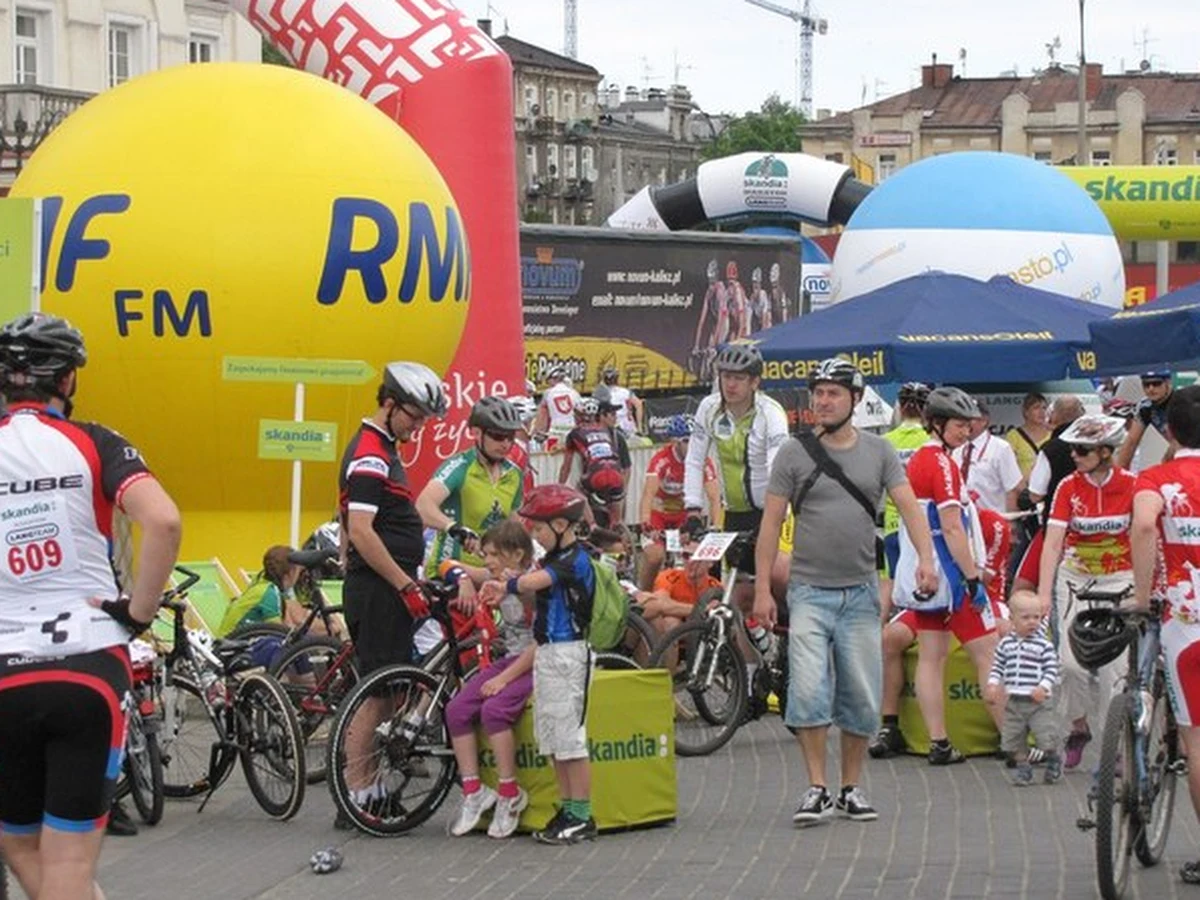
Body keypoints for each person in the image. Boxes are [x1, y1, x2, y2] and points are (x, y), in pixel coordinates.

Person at [0, 313, 182, 900]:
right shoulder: (95, 441)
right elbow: (164, 521)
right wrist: (138, 613)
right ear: (67, 380)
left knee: (22, 847)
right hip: (88, 664)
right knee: (70, 866)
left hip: (5, 669)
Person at [753, 358, 938, 827]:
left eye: (833, 393)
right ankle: (816, 787)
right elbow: (770, 523)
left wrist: (926, 560)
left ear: (855, 399)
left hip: (860, 592)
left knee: (860, 695)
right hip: (808, 591)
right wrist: (763, 589)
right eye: (818, 393)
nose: (823, 401)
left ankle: (851, 787)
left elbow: (910, 508)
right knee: (807, 690)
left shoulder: (880, 451)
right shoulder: (793, 453)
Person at [337, 360, 447, 817]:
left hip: (384, 585)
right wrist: (404, 584)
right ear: (389, 403)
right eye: (415, 416)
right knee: (378, 693)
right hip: (381, 589)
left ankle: (370, 785)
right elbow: (362, 530)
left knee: (394, 688)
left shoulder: (383, 448)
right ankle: (357, 794)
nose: (418, 426)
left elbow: (348, 520)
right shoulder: (370, 453)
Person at [481, 484, 597, 844]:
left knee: (571, 742)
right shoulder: (553, 558)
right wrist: (507, 585)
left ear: (561, 525)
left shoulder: (573, 559)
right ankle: (568, 807)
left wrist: (509, 584)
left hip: (568, 653)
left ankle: (582, 815)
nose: (535, 534)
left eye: (539, 528)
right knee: (554, 741)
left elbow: (536, 581)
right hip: (546, 652)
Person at [898, 387, 1002, 766]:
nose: (966, 431)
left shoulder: (920, 459)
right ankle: (1013, 740)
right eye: (959, 424)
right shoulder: (941, 463)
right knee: (989, 654)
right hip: (953, 578)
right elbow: (952, 526)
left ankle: (939, 742)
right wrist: (973, 577)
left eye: (969, 425)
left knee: (932, 657)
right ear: (937, 424)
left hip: (927, 579)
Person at [868, 503, 1012, 760]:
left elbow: (983, 577)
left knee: (1002, 635)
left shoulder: (993, 523)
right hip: (935, 594)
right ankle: (890, 725)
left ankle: (1010, 733)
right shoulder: (912, 521)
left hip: (979, 594)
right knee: (889, 638)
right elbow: (893, 577)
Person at [1129, 384, 1200, 885]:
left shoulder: (1156, 477)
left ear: (1169, 430)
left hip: (1185, 619)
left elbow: (1143, 527)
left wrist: (1139, 596)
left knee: (1196, 741)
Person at [1036, 414, 1133, 769]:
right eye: (1073, 449)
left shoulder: (1133, 485)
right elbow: (1052, 543)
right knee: (1069, 664)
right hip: (1075, 579)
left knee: (1114, 671)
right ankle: (1078, 728)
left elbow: (1143, 537)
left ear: (1106, 451)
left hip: (1120, 579)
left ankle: (1113, 745)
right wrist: (1043, 594)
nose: (1074, 455)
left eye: (1082, 450)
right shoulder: (1067, 486)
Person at [444, 521, 536, 839]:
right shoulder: (496, 577)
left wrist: (505, 679)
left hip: (537, 661)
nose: (488, 561)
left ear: (518, 554)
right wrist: (463, 580)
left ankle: (510, 792)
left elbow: (541, 644)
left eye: (494, 554)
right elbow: (447, 564)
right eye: (485, 554)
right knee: (456, 709)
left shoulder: (534, 583)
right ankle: (474, 790)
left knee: (494, 710)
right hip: (510, 657)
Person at [684, 343, 791, 602]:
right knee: (738, 595)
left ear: (754, 382)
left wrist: (774, 517)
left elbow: (777, 467)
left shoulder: (771, 413)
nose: (730, 385)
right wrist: (693, 509)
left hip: (772, 510)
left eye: (739, 378)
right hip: (734, 512)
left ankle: (796, 620)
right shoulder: (709, 408)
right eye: (726, 377)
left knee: (778, 575)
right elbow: (695, 460)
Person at [418, 396, 526, 575]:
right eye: (498, 436)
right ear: (476, 433)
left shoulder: (514, 474)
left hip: (491, 571)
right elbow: (423, 506)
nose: (505, 444)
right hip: (450, 570)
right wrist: (453, 528)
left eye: (510, 437)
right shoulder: (459, 466)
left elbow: (513, 524)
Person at [984, 590, 1062, 786]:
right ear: (1012, 619)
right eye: (1026, 618)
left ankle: (1053, 757)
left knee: (1044, 736)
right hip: (1015, 699)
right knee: (1014, 738)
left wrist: (1043, 687)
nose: (1032, 622)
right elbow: (997, 666)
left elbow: (1052, 669)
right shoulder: (1006, 644)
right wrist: (992, 684)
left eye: (1036, 617)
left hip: (1038, 701)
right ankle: (1023, 767)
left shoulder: (1044, 645)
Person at [637, 415, 721, 590]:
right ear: (675, 441)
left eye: (695, 440)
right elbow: (648, 494)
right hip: (659, 515)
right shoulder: (662, 459)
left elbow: (714, 497)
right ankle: (643, 592)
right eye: (686, 441)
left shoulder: (703, 460)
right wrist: (646, 522)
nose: (692, 446)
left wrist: (716, 527)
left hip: (684, 516)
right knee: (655, 556)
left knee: (697, 557)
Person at [1012, 394, 1085, 593]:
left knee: (1023, 586)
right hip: (1089, 527)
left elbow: (1036, 494)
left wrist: (1024, 498)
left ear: (1055, 417)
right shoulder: (1093, 446)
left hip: (1056, 527)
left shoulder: (1051, 449)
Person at [880, 382, 932, 616]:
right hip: (922, 525)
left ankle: (879, 632)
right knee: (919, 582)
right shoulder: (930, 441)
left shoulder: (885, 441)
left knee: (889, 583)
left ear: (900, 407)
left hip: (892, 523)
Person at [559, 389, 629, 529]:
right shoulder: (606, 430)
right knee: (617, 521)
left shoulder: (574, 434)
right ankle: (618, 528)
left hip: (596, 473)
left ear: (578, 416)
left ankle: (592, 526)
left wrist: (560, 485)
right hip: (616, 474)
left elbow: (566, 466)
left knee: (579, 492)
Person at [952, 400, 1024, 513]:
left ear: (984, 421)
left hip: (993, 518)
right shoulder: (957, 448)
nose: (966, 424)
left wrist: (1010, 521)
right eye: (963, 419)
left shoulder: (1001, 448)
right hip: (963, 518)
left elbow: (1012, 489)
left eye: (970, 419)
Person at [1117, 369, 1175, 470]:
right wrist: (1119, 473)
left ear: (1168, 383)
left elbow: (1183, 441)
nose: (1151, 389)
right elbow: (1131, 442)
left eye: (1156, 383)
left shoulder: (1181, 401)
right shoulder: (1145, 406)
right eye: (1146, 385)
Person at [691, 259, 729, 378]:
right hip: (715, 322)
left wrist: (715, 343)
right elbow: (702, 320)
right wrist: (696, 345)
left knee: (713, 353)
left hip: (724, 322)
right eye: (709, 282)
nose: (711, 286)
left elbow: (722, 318)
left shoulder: (720, 290)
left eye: (713, 282)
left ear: (716, 280)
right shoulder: (709, 292)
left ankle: (718, 376)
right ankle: (707, 376)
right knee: (707, 355)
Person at [533, 364, 580, 452]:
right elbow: (579, 415)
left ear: (553, 379)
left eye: (549, 380)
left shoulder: (548, 393)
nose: (549, 383)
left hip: (554, 432)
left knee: (552, 457)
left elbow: (542, 416)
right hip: (572, 432)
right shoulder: (574, 393)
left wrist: (537, 432)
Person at [1006, 392, 1051, 480]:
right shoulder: (1014, 436)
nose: (1041, 412)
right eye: (1036, 408)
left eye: (1044, 408)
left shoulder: (1053, 434)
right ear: (1026, 412)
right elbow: (1008, 467)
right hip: (1024, 486)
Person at [600, 366, 643, 437]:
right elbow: (639, 405)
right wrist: (640, 427)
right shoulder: (626, 392)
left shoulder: (600, 393)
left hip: (610, 425)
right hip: (627, 426)